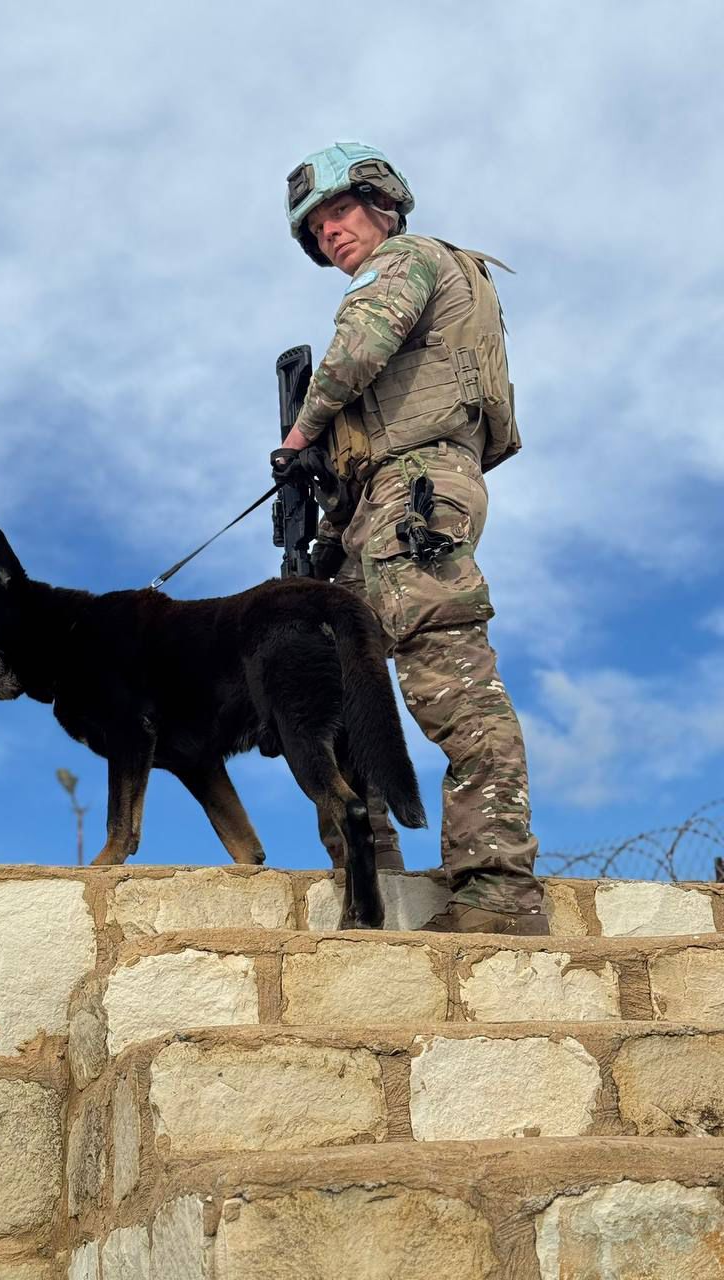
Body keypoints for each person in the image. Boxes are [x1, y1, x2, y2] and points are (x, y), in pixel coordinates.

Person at [271, 142, 547, 935]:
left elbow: (355, 352)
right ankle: (369, 878)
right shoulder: (406, 267)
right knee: (332, 683)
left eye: (338, 213)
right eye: (316, 229)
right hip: (377, 503)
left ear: (383, 204)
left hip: (416, 491)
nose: (329, 234)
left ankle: (497, 893)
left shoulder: (405, 260)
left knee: (451, 685)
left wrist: (297, 436)